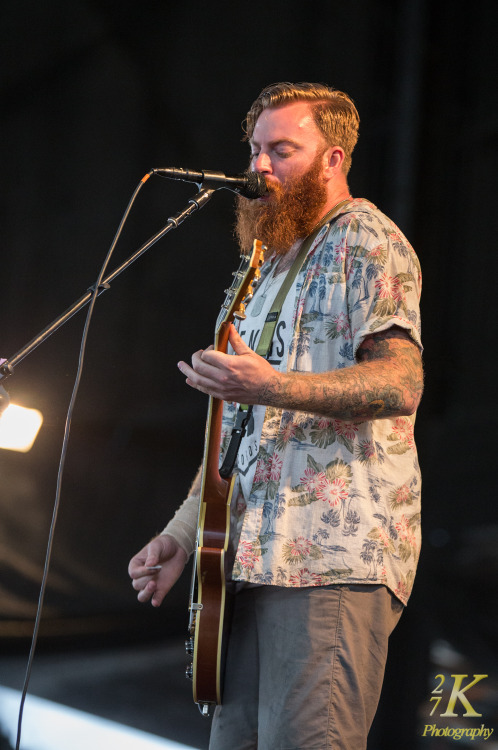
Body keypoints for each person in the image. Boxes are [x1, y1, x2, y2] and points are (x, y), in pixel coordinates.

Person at [129, 82, 423, 750]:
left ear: (332, 159)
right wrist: (183, 535)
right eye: (256, 150)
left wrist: (276, 386)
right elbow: (239, 433)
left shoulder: (365, 238)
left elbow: (403, 383)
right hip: (245, 563)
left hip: (329, 559)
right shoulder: (261, 268)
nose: (259, 167)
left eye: (282, 150)